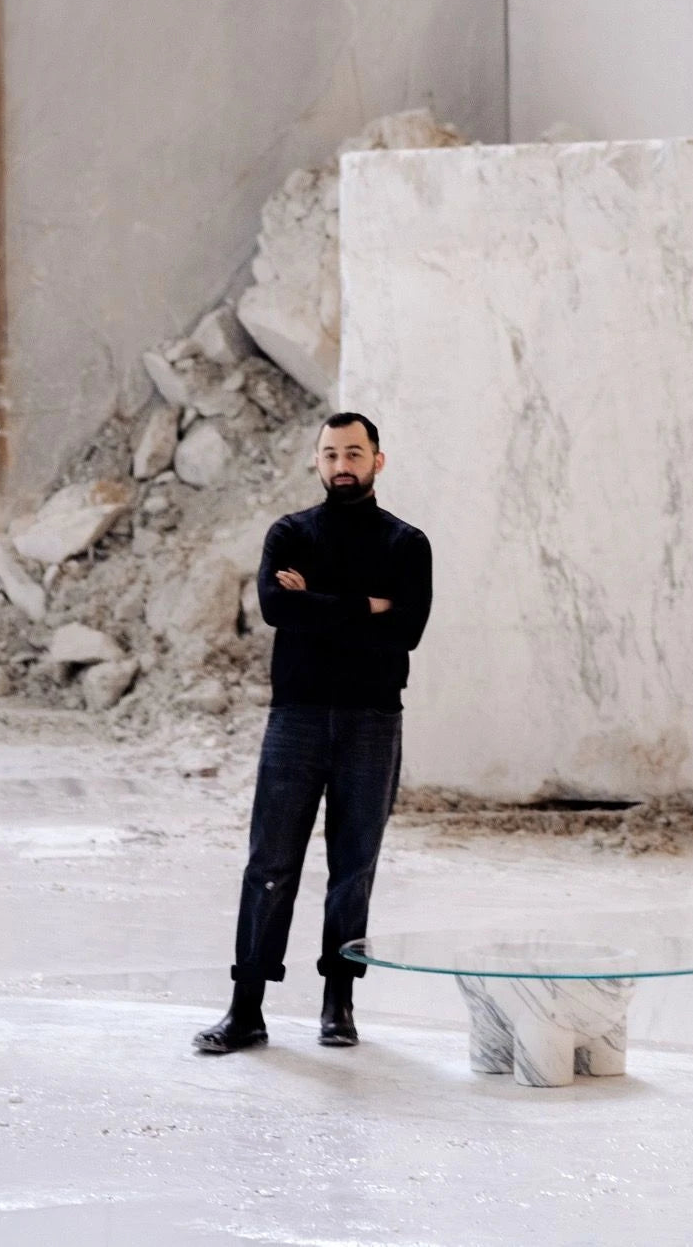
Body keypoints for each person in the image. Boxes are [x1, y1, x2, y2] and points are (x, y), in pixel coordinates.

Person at [193, 411, 433, 1053]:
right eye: (330, 454)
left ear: (378, 460)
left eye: (353, 453)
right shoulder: (290, 534)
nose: (341, 465)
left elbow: (407, 629)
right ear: (317, 461)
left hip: (372, 721)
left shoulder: (407, 544)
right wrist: (366, 606)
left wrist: (317, 603)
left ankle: (339, 1005)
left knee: (353, 869)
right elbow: (277, 608)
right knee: (269, 866)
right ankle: (246, 1010)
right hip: (295, 718)